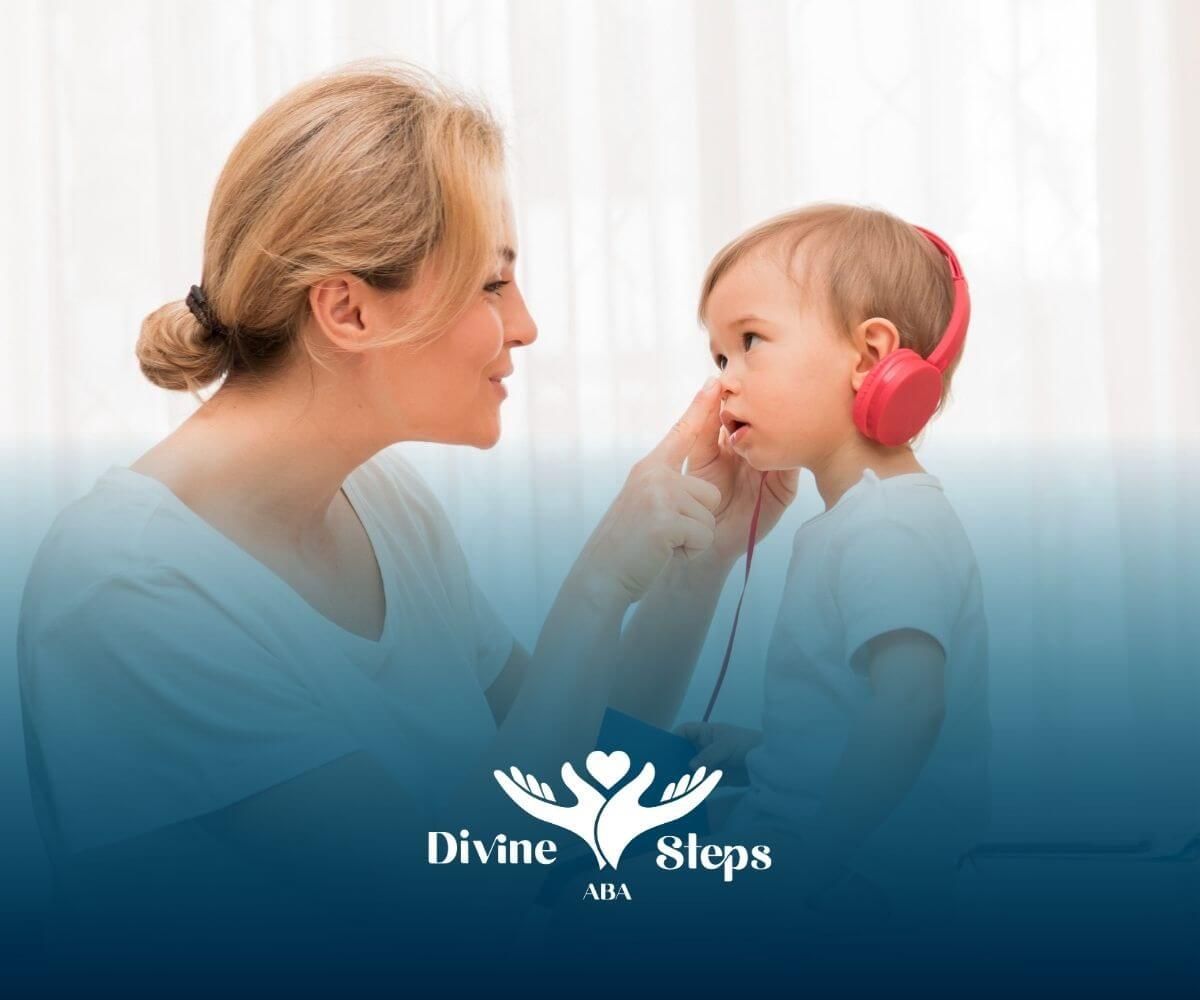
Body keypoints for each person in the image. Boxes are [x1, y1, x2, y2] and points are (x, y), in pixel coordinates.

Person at [15, 63, 795, 970]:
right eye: (491, 285)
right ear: (347, 309)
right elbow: (452, 918)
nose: (528, 325)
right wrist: (593, 585)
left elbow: (567, 785)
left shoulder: (385, 509)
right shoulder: (124, 593)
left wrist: (692, 554)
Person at [676, 203, 991, 921]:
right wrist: (764, 750)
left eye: (751, 341)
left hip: (862, 888)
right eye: (719, 356)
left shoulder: (888, 527)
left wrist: (811, 864)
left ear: (871, 358)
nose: (723, 380)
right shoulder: (862, 519)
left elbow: (912, 707)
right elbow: (861, 717)